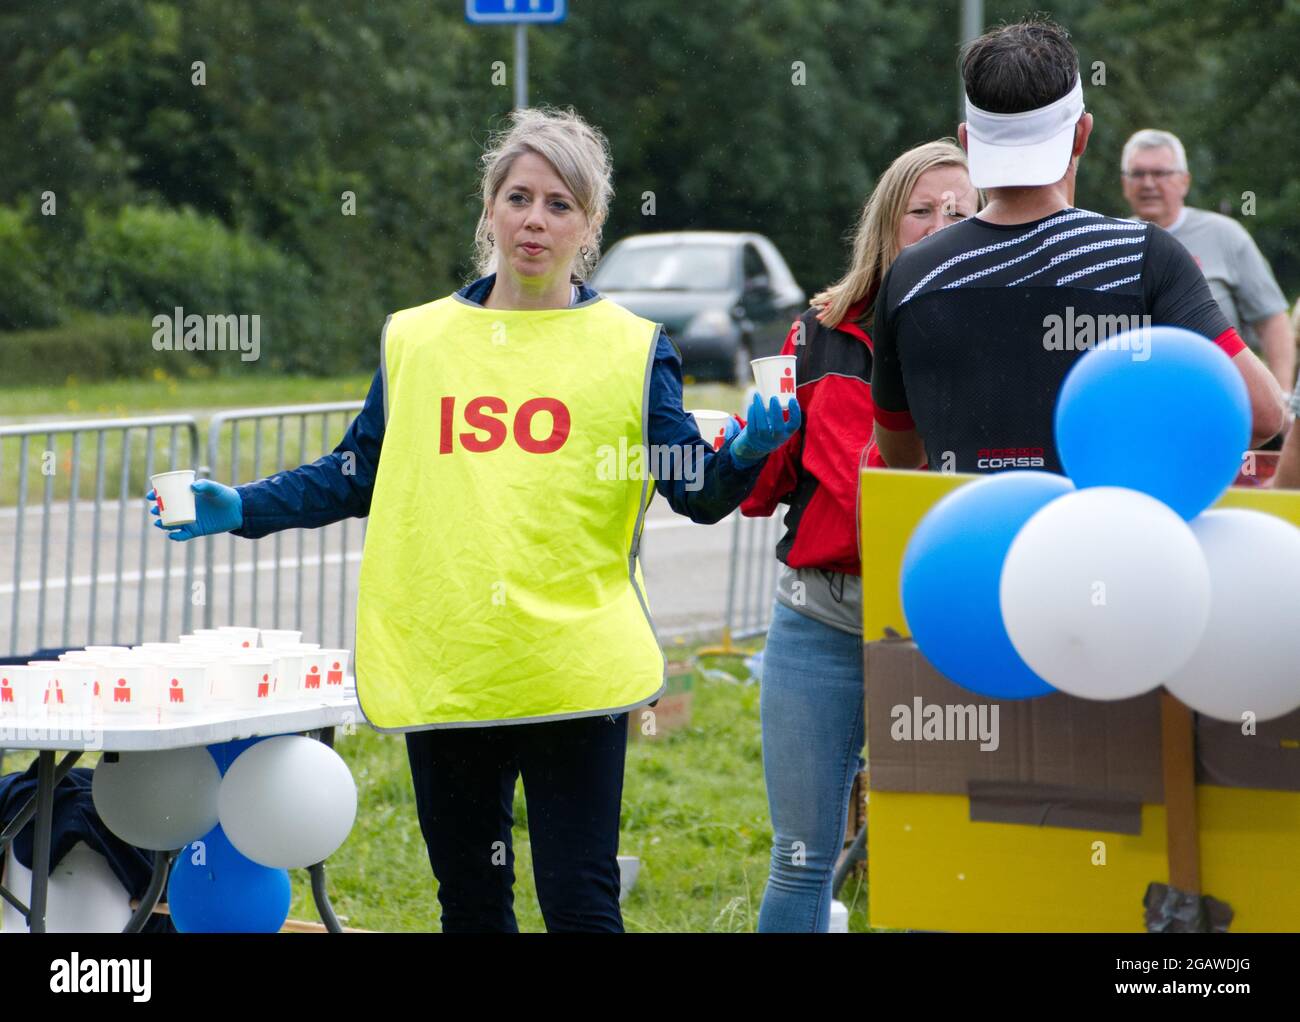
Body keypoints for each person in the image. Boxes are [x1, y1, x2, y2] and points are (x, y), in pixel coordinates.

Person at [146, 106, 800, 933]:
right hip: (451, 660)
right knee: (471, 905)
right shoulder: (417, 339)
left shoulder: (632, 347)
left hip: (575, 672)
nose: (535, 219)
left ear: (590, 225)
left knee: (580, 904)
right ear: (488, 208)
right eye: (518, 196)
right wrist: (240, 507)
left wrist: (749, 449)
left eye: (559, 204)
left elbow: (696, 491)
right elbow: (358, 473)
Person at [740, 139, 980, 932]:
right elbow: (761, 487)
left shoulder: (997, 336)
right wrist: (752, 441)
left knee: (940, 858)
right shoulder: (820, 335)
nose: (942, 222)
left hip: (948, 626)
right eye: (923, 209)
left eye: (961, 209)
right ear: (888, 223)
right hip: (821, 620)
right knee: (799, 860)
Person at [871, 17, 1286, 474]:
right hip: (1104, 537)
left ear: (968, 142)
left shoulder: (911, 274)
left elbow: (902, 456)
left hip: (966, 539)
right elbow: (1261, 412)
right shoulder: (1142, 257)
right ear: (1082, 134)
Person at [1121, 129, 1295, 399]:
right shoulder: (1113, 241)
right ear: (1124, 183)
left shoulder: (1225, 235)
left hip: (1220, 397)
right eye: (1138, 174)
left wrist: (1282, 396)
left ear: (1185, 182)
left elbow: (1271, 319)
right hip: (1136, 399)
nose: (1148, 184)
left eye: (1160, 173)